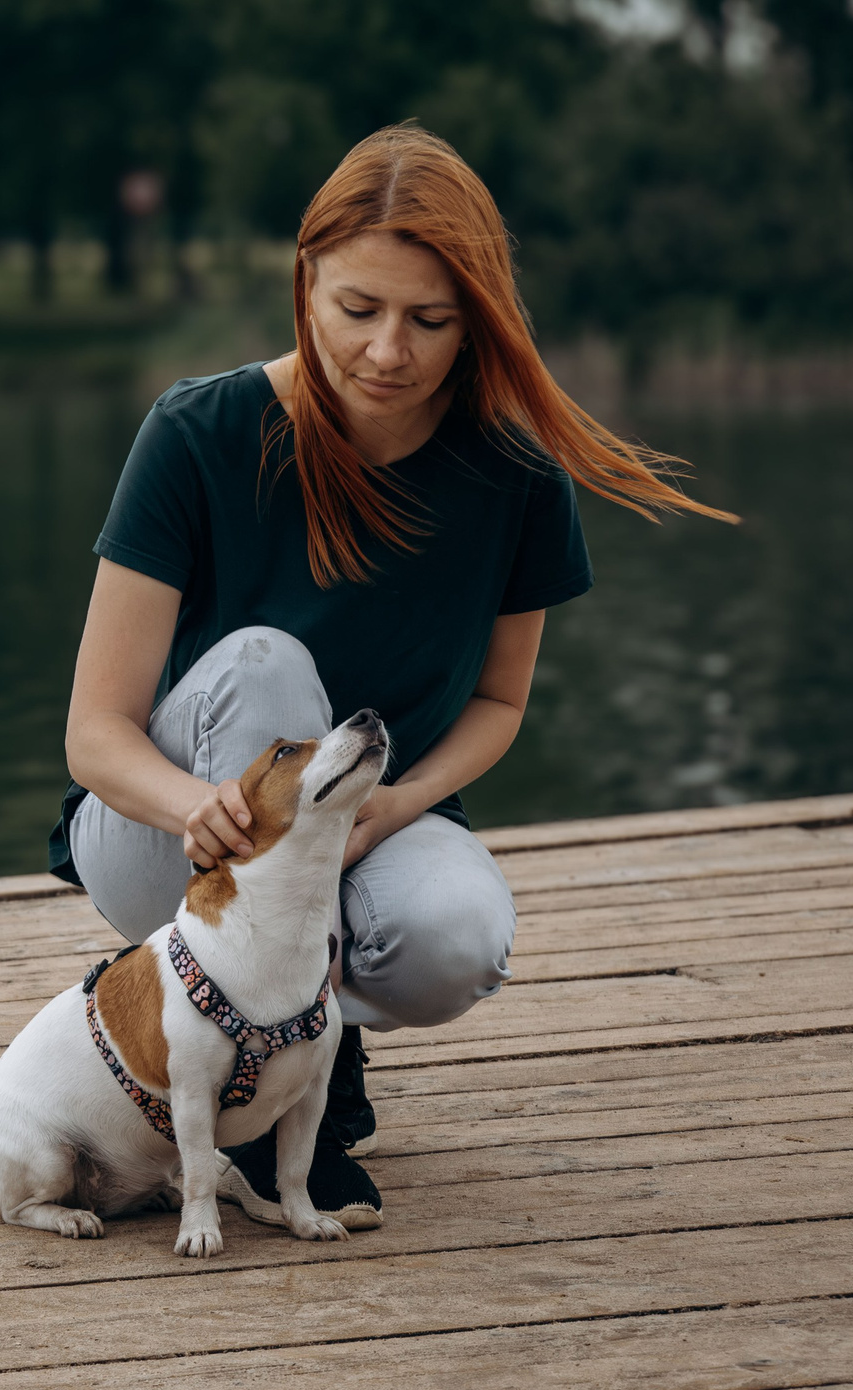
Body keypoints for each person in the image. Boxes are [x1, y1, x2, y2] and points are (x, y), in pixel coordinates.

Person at [51, 123, 734, 1229]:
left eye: (429, 320)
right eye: (356, 310)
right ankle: (292, 1094)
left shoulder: (514, 477)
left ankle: (296, 1035)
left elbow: (501, 704)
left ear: (477, 322)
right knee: (268, 663)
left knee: (458, 939)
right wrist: (202, 806)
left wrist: (399, 806)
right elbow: (96, 736)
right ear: (304, 282)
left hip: (363, 824)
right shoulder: (196, 434)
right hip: (167, 841)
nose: (386, 352)